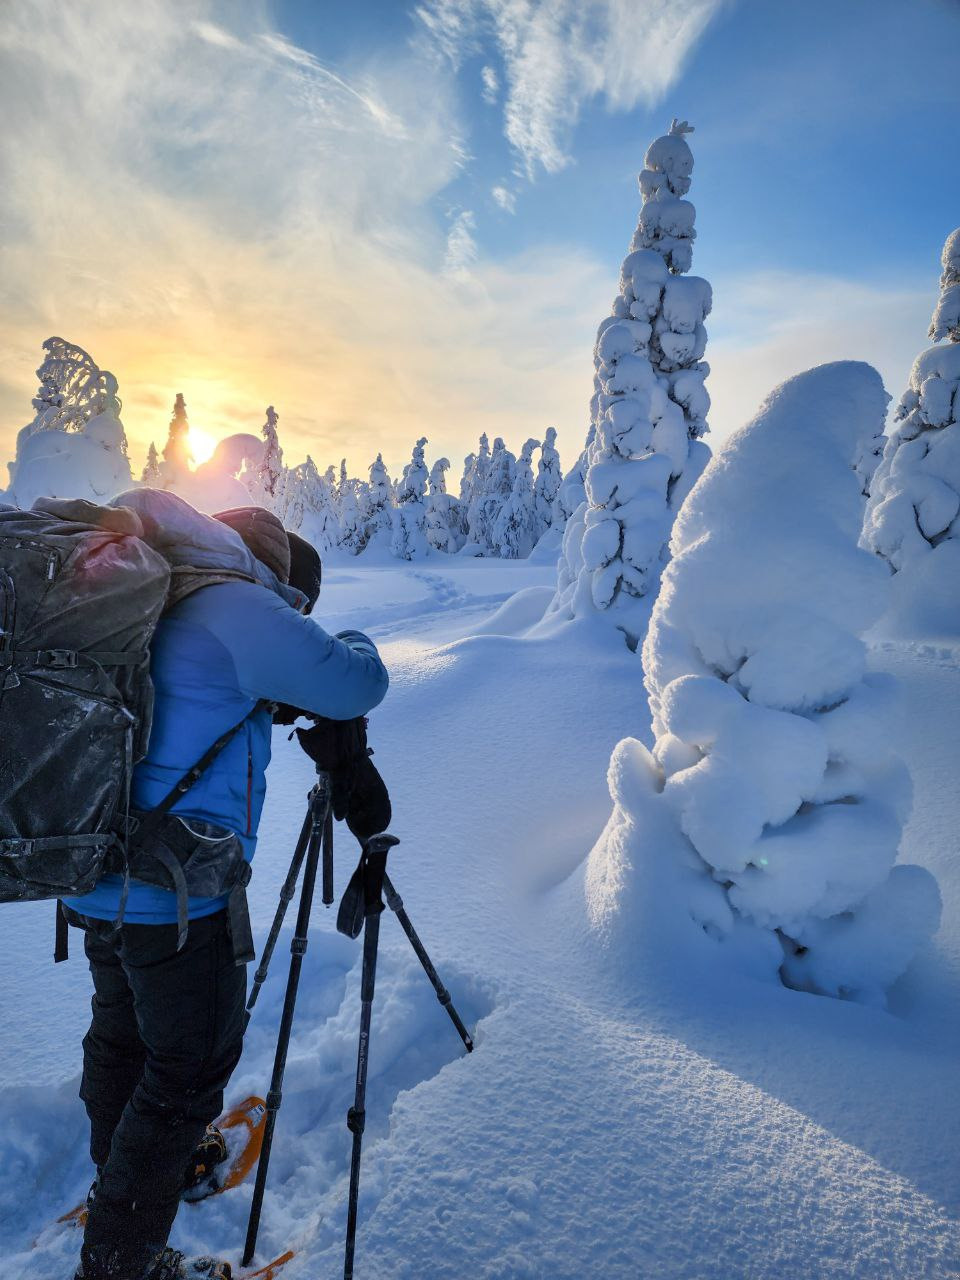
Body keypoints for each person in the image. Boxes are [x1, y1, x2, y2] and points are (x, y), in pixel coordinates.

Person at [62, 505, 388, 1280]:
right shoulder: (236, 604)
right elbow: (355, 683)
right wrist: (345, 638)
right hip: (177, 894)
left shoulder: (153, 591)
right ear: (277, 581)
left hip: (92, 864)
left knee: (125, 1040)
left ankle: (129, 1183)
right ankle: (122, 1262)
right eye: (296, 608)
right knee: (187, 1070)